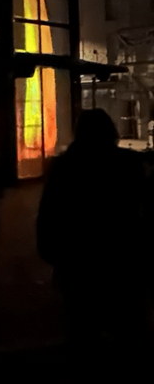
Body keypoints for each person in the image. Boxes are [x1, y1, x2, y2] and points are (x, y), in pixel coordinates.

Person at [37, 108, 149, 371]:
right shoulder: (129, 164)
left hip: (77, 259)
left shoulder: (64, 167)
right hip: (123, 257)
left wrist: (50, 249)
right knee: (128, 329)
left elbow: (50, 211)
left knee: (82, 328)